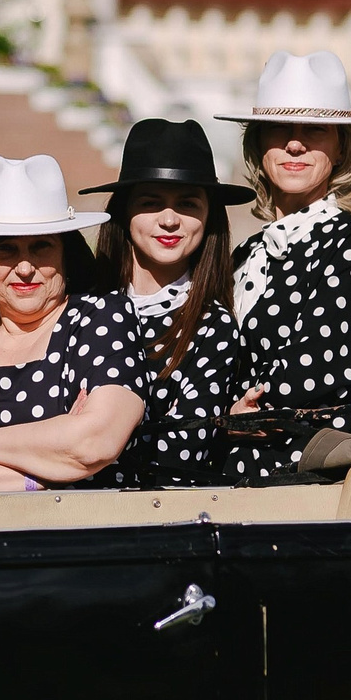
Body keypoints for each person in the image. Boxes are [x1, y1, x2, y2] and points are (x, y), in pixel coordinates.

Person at [0, 155, 148, 493]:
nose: (24, 268)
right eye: (4, 249)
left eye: (41, 247)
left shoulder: (103, 319)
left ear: (66, 253)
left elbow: (95, 444)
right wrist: (38, 480)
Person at [215, 49, 351, 481]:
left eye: (314, 129)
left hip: (291, 476)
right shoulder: (247, 252)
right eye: (279, 129)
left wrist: (220, 414)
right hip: (226, 470)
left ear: (341, 147)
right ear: (258, 144)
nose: (295, 143)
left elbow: (316, 376)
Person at [78, 118, 251, 488]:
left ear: (209, 217)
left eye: (187, 204)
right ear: (125, 212)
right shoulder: (78, 304)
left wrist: (83, 436)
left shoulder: (213, 326)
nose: (169, 220)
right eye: (151, 202)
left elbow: (179, 452)